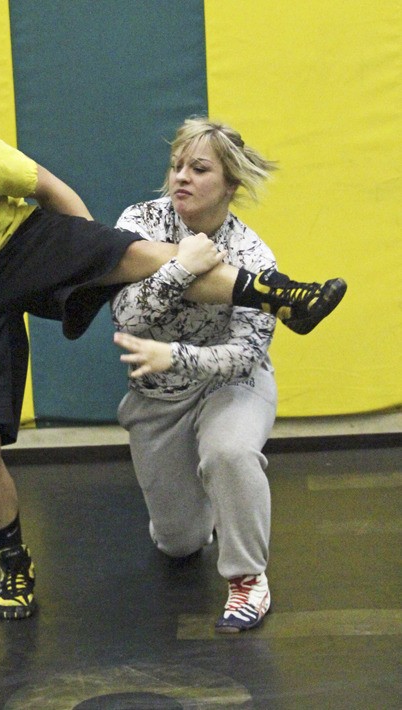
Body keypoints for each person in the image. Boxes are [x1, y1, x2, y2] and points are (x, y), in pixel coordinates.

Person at [0, 81, 346, 622]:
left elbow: (49, 190)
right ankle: (14, 566)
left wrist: (86, 255)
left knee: (133, 260)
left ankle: (276, 291)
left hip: (18, 248)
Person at [112, 117, 343, 633]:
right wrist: (181, 265)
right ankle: (201, 521)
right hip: (157, 398)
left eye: (198, 169)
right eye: (176, 166)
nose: (181, 178)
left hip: (231, 384)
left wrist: (178, 356)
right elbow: (126, 316)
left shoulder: (253, 256)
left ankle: (247, 580)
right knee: (178, 543)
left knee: (230, 452)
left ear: (231, 184)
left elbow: (245, 353)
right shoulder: (141, 223)